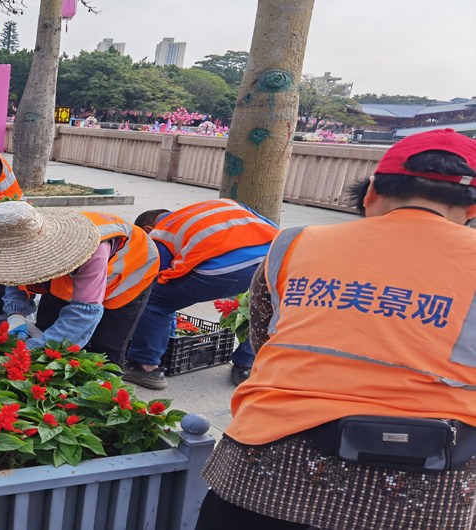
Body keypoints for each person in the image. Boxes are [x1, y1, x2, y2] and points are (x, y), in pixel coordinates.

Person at [195, 129, 476, 530]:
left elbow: (262, 337)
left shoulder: (294, 243)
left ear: (371, 192)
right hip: (426, 483)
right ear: (470, 210)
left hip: (269, 466)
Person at [0, 202, 160, 364]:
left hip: (129, 271)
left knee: (106, 349)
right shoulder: (23, 227)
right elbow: (11, 272)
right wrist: (16, 314)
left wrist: (35, 350)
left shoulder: (91, 248)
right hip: (72, 275)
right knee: (46, 327)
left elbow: (85, 311)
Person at [122, 199, 279, 390]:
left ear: (147, 230)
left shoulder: (161, 232)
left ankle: (146, 367)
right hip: (276, 262)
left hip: (222, 272)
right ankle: (247, 365)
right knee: (267, 307)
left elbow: (157, 278)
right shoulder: (227, 204)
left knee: (155, 300)